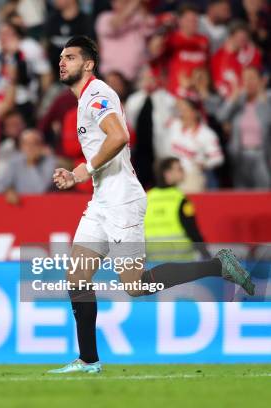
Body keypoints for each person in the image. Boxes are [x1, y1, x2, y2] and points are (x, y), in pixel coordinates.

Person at [50, 36, 255, 375]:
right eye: (61, 57)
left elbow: (119, 137)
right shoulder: (85, 99)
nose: (62, 62)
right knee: (77, 276)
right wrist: (79, 173)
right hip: (102, 201)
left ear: (88, 64)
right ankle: (88, 361)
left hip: (121, 201)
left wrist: (81, 171)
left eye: (70, 57)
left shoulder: (97, 95)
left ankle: (218, 265)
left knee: (135, 285)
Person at [144, 157, 211, 261]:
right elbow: (192, 230)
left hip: (153, 258)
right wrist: (206, 253)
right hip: (181, 258)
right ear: (168, 174)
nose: (183, 172)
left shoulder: (147, 198)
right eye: (179, 169)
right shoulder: (180, 199)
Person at [216, 66, 271, 189]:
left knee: (264, 194)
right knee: (242, 195)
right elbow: (220, 117)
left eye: (252, 78)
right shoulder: (238, 102)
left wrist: (262, 100)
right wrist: (234, 96)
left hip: (263, 156)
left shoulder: (267, 100)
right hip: (240, 156)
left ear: (260, 81)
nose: (248, 82)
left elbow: (267, 120)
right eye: (245, 79)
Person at [167, 97, 224, 192]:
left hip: (192, 177)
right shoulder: (174, 126)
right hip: (172, 175)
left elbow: (218, 158)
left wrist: (205, 164)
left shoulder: (206, 133)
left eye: (185, 110)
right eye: (180, 110)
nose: (181, 113)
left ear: (195, 113)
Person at [0, 128, 56, 204]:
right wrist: (8, 191)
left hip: (44, 207)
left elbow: (40, 190)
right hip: (19, 208)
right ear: (21, 146)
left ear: (41, 146)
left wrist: (31, 164)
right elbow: (0, 188)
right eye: (26, 144)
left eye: (35, 143)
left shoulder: (49, 162)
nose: (30, 147)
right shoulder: (13, 162)